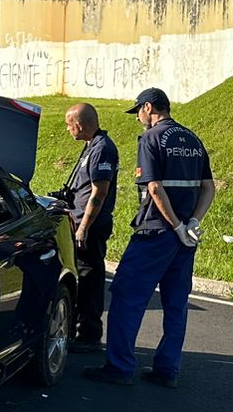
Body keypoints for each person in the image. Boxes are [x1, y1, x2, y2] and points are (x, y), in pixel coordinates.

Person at [82, 87, 215, 388]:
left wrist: (175, 226)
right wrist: (191, 223)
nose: (138, 117)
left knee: (127, 296)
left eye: (138, 111)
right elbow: (209, 187)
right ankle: (167, 369)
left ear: (148, 107)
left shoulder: (152, 139)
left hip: (155, 231)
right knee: (175, 303)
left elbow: (153, 188)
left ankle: (119, 367)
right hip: (185, 239)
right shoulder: (192, 138)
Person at [62, 102, 119, 349]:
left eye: (69, 125)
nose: (67, 130)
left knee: (90, 279)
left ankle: (89, 335)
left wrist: (84, 226)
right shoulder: (90, 147)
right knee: (80, 277)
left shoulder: (102, 149)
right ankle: (77, 330)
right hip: (78, 220)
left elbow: (99, 192)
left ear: (80, 124)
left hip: (91, 226)